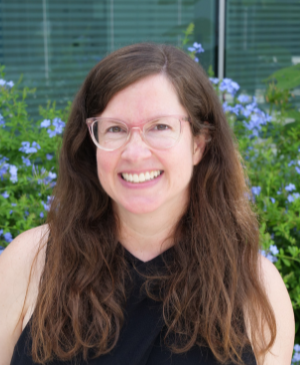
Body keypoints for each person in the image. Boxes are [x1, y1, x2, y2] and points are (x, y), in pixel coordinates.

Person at [0, 43, 295, 365]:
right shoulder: (30, 264)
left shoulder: (257, 290)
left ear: (198, 144)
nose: (135, 152)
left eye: (160, 127)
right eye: (115, 129)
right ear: (91, 144)